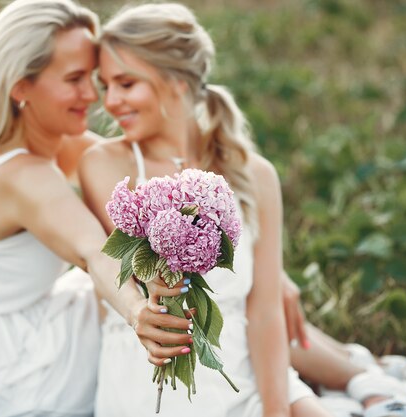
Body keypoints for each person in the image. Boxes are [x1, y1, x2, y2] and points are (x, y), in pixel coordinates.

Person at [0, 1, 191, 416]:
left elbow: (157, 180)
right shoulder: (21, 177)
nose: (93, 95)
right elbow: (93, 249)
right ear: (21, 86)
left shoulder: (44, 139)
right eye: (75, 79)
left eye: (92, 78)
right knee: (182, 303)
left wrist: (245, 246)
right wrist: (136, 312)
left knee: (206, 284)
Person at [77, 3, 333, 416]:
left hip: (245, 369)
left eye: (126, 83)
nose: (110, 102)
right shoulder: (106, 165)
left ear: (177, 80)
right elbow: (145, 279)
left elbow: (265, 313)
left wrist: (274, 409)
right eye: (105, 86)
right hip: (150, 379)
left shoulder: (255, 175)